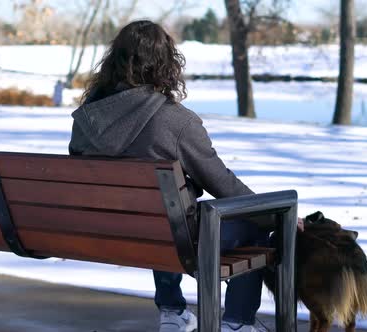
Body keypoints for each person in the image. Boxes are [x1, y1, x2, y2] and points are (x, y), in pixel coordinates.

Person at [68, 20, 303, 332]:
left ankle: (173, 312)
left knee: (158, 215)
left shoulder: (88, 116)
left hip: (112, 231)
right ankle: (236, 323)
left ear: (115, 60)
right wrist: (276, 214)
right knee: (247, 224)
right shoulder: (176, 122)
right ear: (166, 64)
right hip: (173, 236)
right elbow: (221, 183)